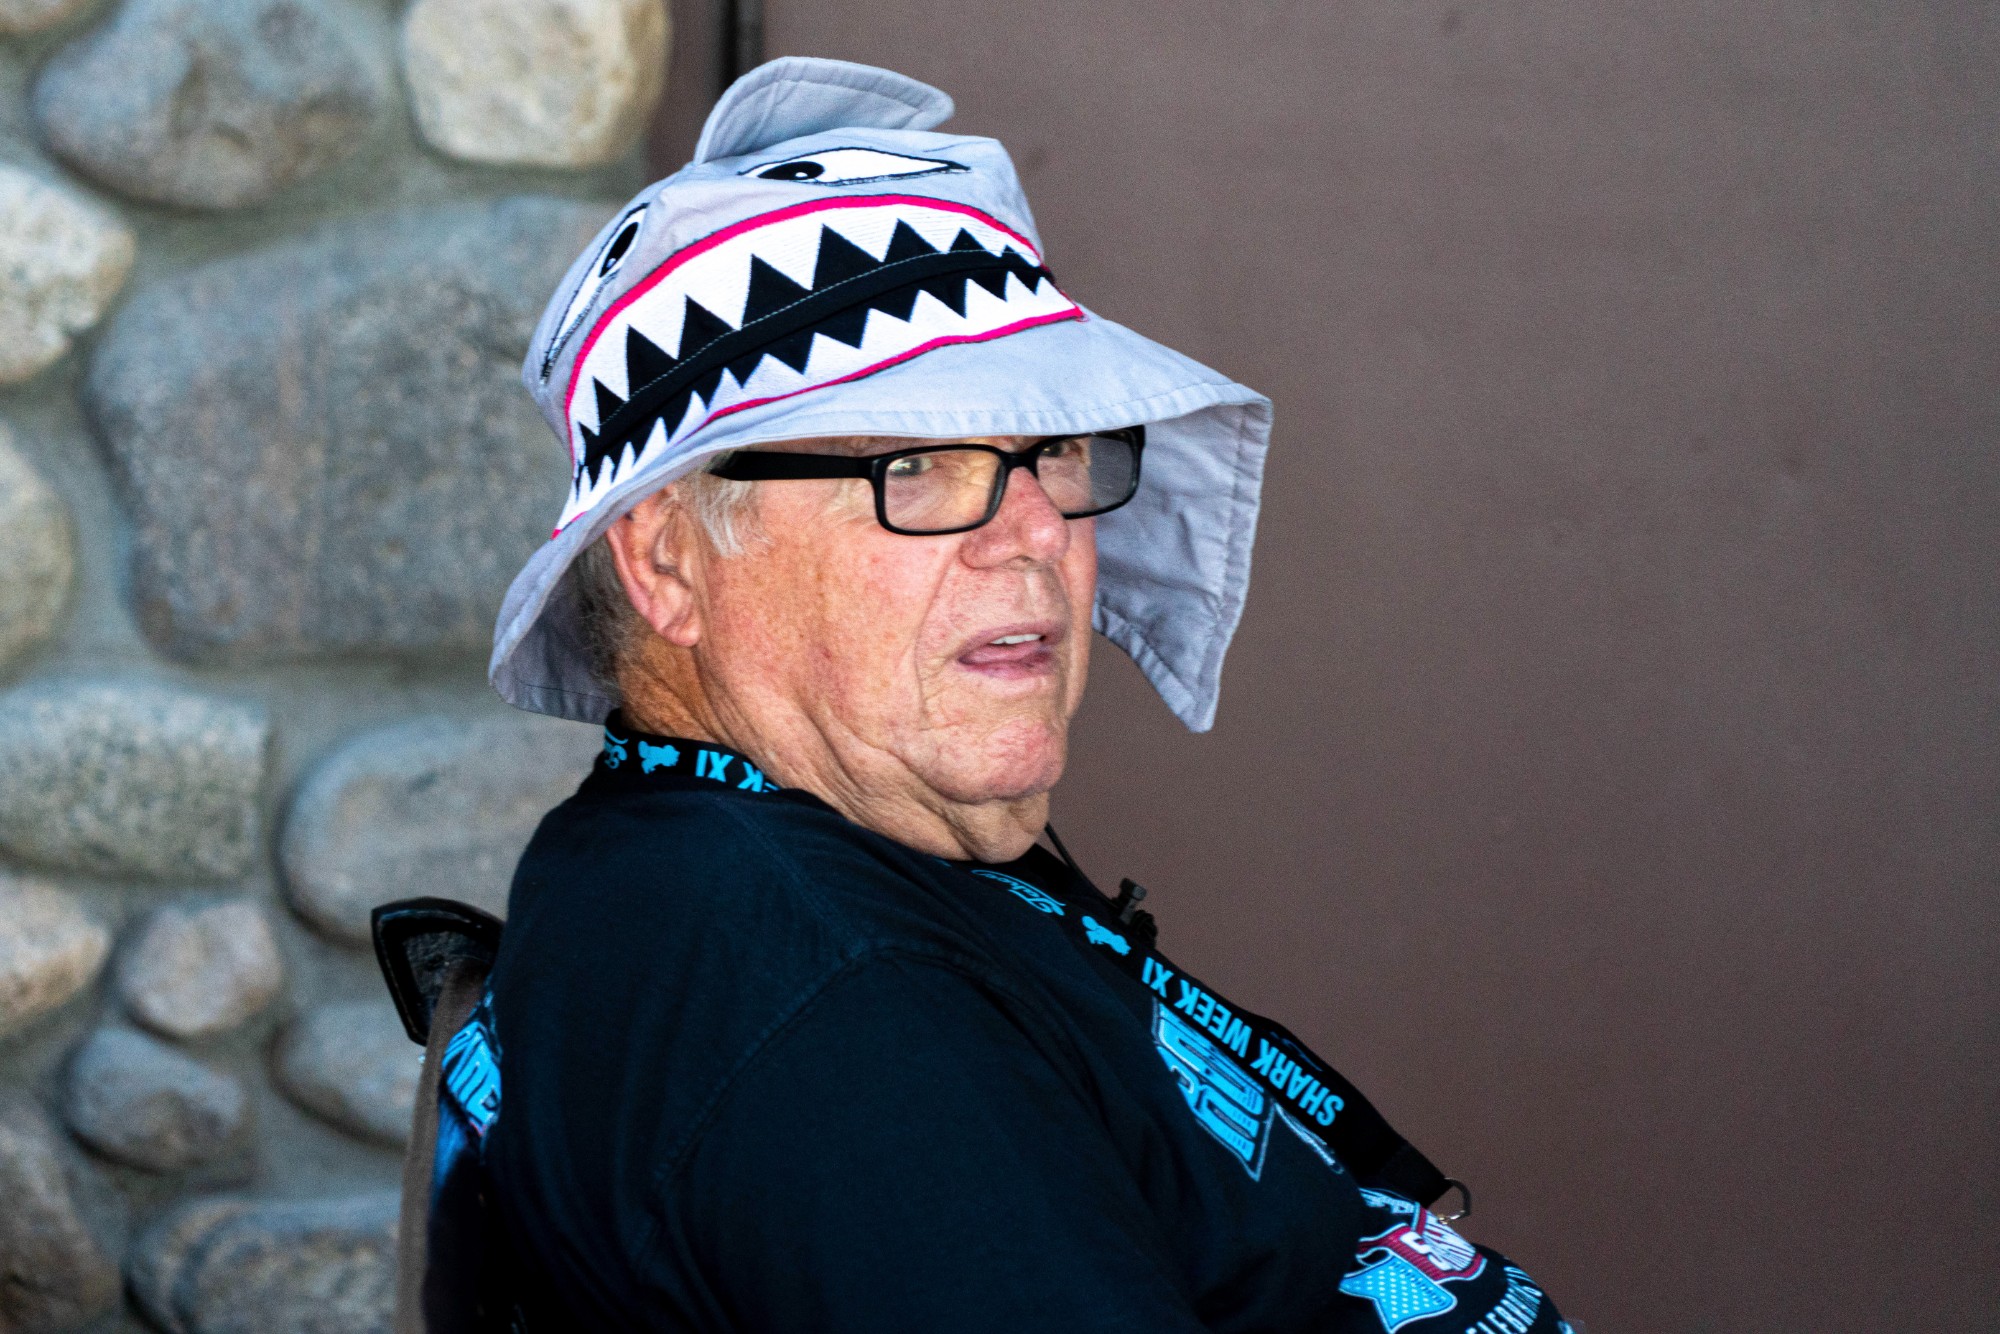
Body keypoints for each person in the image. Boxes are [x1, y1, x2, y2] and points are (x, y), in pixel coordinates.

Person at [462, 56, 1573, 1333]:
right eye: (916, 465)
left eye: (1052, 449)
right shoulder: (825, 1011)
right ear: (667, 562)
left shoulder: (774, 867)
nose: (1039, 532)